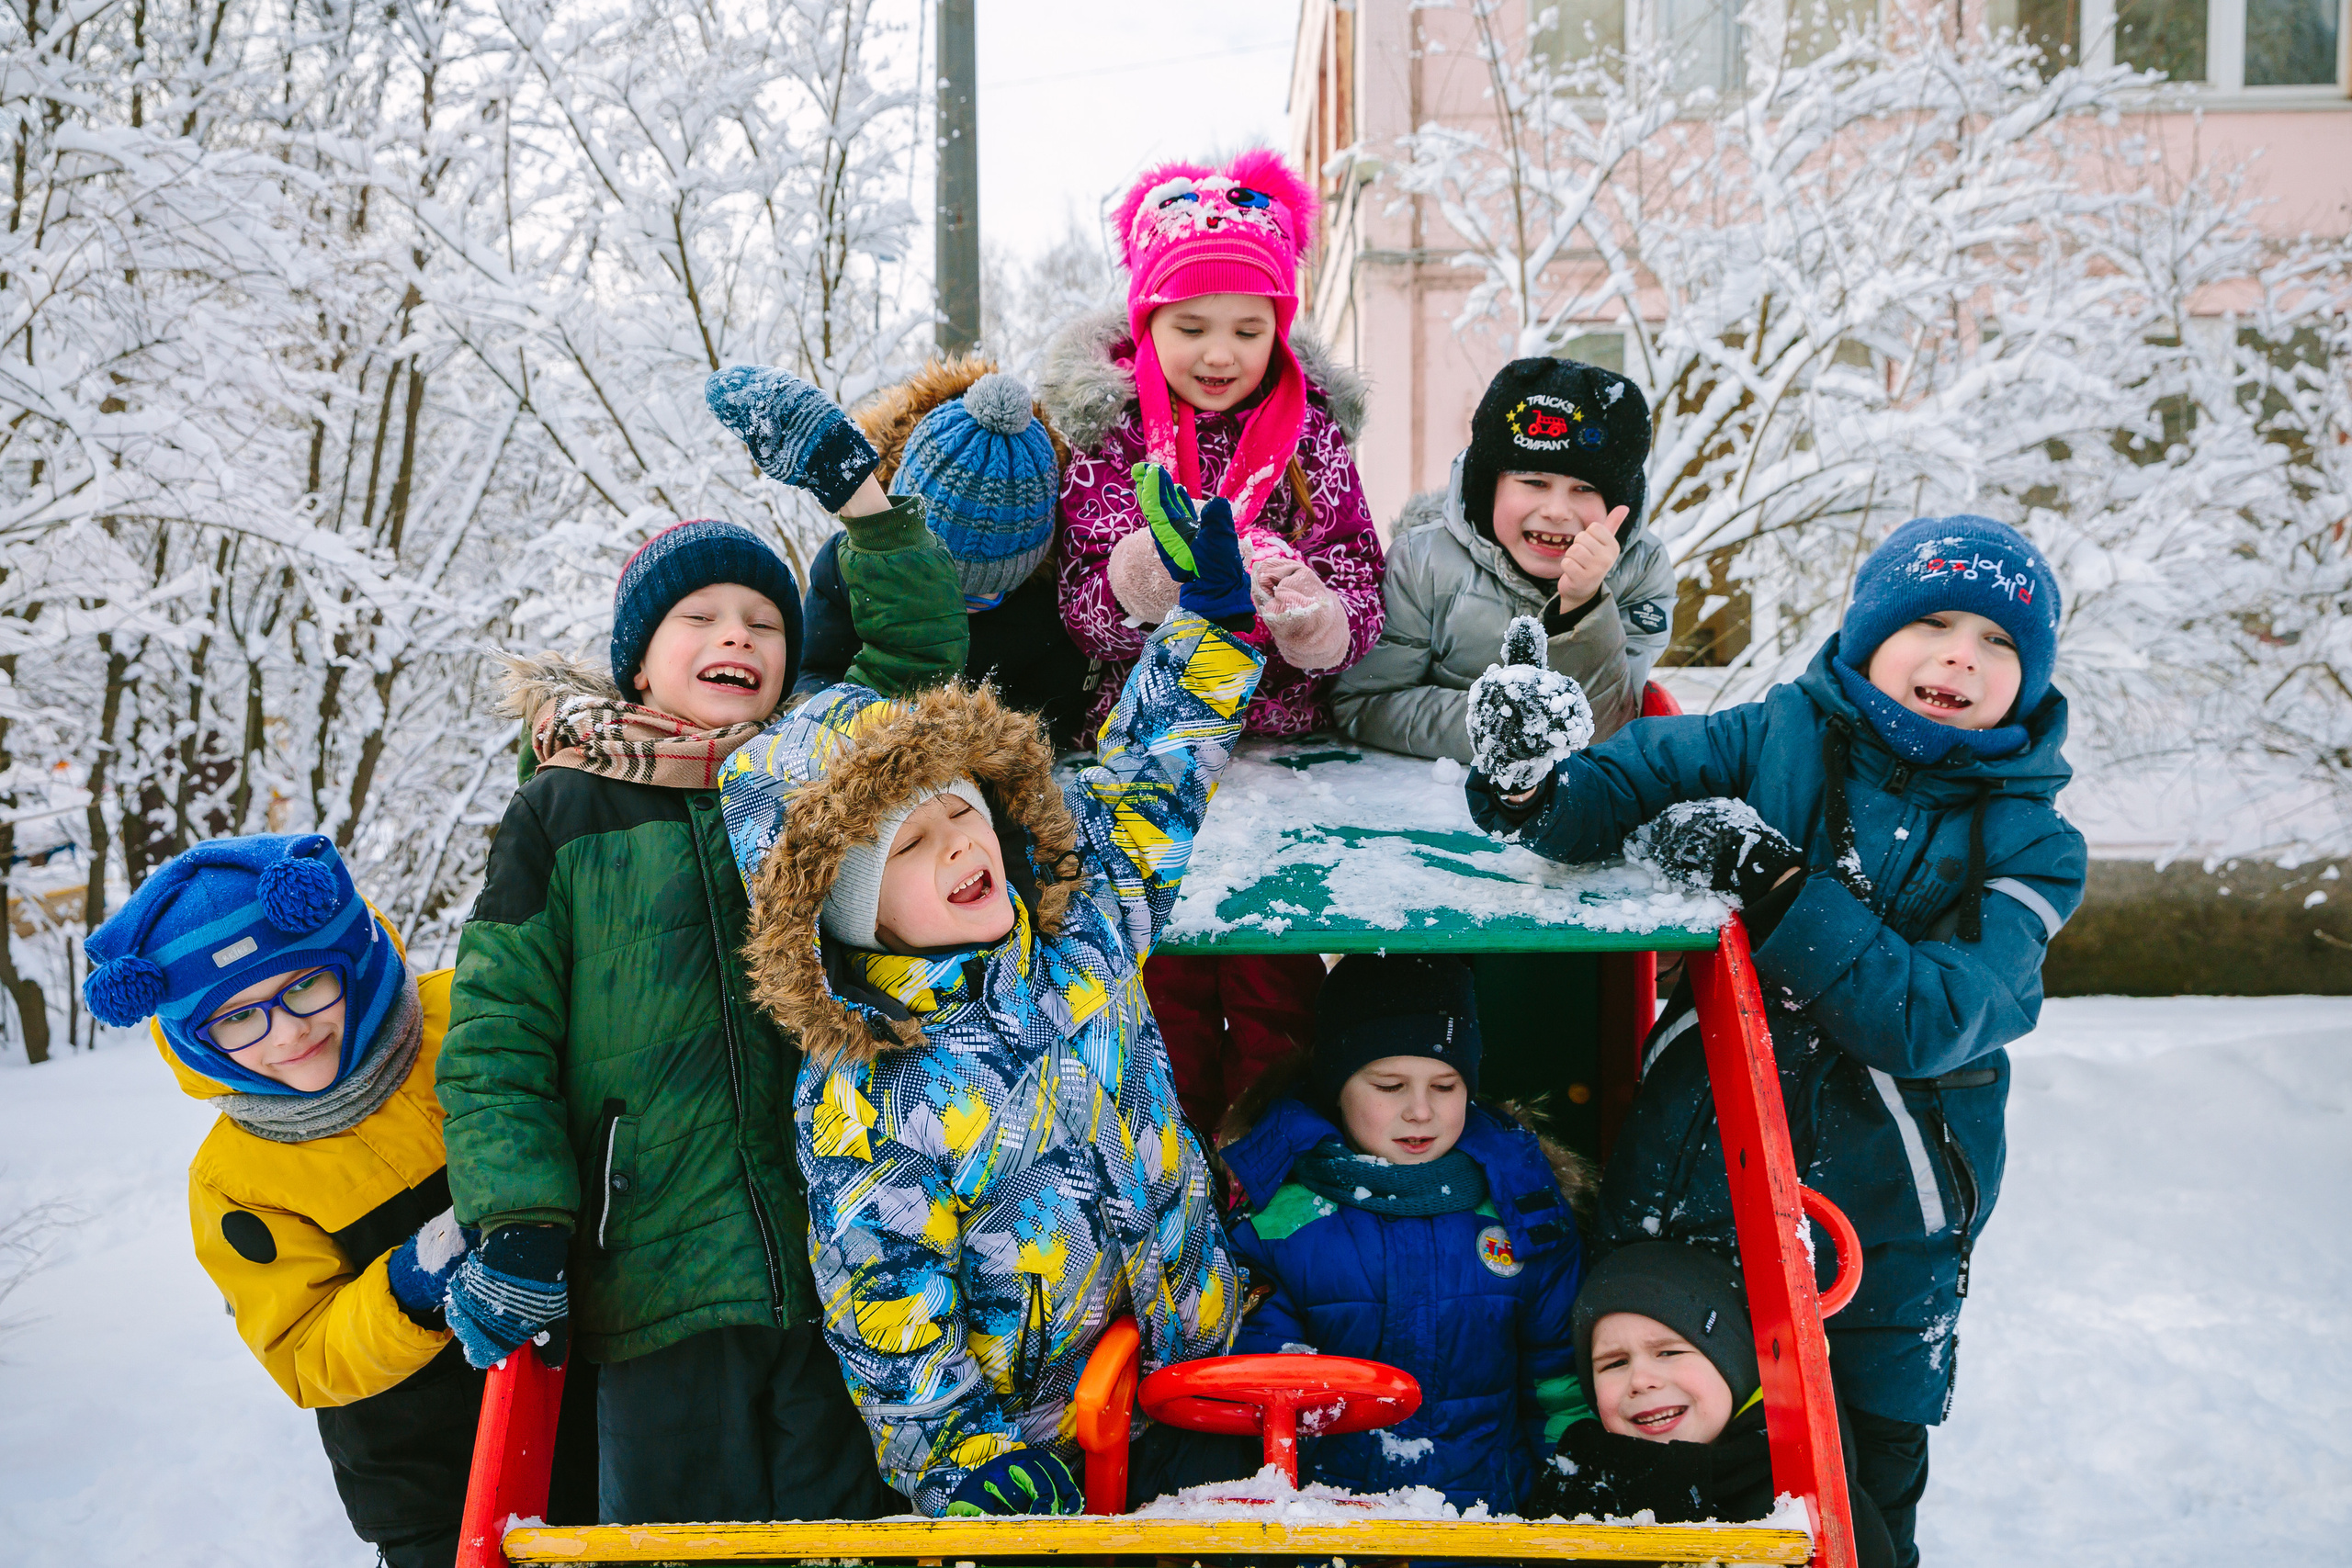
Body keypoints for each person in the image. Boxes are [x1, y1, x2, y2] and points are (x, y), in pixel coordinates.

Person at [1465, 515, 2086, 1566]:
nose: (1958, 656)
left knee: (1853, 1514)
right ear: (1865, 633)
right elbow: (1624, 787)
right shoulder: (1776, 737)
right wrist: (1534, 785)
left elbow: (1934, 1018)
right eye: (1930, 622)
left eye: (1997, 644)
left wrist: (1776, 885)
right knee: (1645, 1469)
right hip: (1691, 1178)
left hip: (1882, 1233)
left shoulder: (2032, 843)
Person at [716, 437, 1268, 1517]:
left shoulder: (1080, 921)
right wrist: (962, 1461)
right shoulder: (870, 1090)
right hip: (1040, 1459)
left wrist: (1209, 625)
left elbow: (1155, 766)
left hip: (1199, 1370)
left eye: (962, 814)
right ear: (847, 912)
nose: (960, 850)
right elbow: (888, 1303)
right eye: (910, 848)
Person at [435, 426, 902, 1524]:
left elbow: (916, 658)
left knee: (850, 1540)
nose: (734, 635)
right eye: (699, 618)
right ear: (640, 659)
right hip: (654, 1275)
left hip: (843, 1262)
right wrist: (520, 1217)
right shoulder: (564, 808)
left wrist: (872, 513)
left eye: (764, 622)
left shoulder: (812, 782)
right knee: (674, 1541)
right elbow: (497, 1029)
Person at [80, 834, 594, 1567]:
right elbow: (303, 1351)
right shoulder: (236, 1179)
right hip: (429, 1481)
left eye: (306, 985)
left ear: (353, 955)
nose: (287, 1032)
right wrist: (412, 1282)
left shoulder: (472, 1015)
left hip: (601, 1397)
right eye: (236, 1018)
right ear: (195, 1039)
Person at [1040, 148, 1385, 1138]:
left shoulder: (1314, 436)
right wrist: (1147, 576)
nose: (1221, 352)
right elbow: (1080, 613)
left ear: (1282, 325)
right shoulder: (1111, 438)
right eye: (1191, 327)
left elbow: (1362, 575)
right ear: (1147, 325)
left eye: (1248, 326)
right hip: (1147, 753)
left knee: (1278, 982)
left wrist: (1319, 621)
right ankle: (1172, 1160)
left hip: (1277, 755)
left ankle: (1272, 1157)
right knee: (1167, 980)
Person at [1216, 955, 1590, 1514]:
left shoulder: (1524, 1210)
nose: (1421, 1111)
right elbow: (1260, 1385)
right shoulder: (1279, 1221)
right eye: (1390, 1086)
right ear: (1336, 1085)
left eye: (1446, 1085)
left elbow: (1559, 1385)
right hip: (1326, 1531)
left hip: (1486, 1530)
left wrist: (1566, 1495)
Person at [1333, 356, 1678, 756]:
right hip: (1425, 796)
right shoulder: (1422, 564)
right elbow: (1364, 702)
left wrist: (1583, 607)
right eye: (1534, 482)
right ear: (1487, 488)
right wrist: (1498, 726)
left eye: (1584, 489)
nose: (1557, 510)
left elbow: (1611, 726)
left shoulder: (1639, 570)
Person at [1524, 1242, 1894, 1568]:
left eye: (1668, 1352)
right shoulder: (1576, 1486)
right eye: (1615, 1363)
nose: (1640, 1380)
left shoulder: (1810, 1493)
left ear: (1733, 1363)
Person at [791, 357, 1095, 748]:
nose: (952, 609)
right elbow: (817, 667)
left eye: (977, 598)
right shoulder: (846, 568)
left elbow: (1049, 715)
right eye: (933, 585)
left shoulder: (1046, 607)